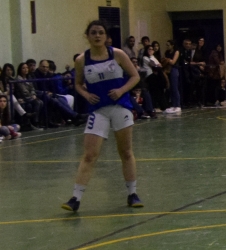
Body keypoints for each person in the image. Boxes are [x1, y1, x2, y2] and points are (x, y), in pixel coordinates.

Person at [63, 21, 143, 213]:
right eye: (93, 32)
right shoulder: (82, 60)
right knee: (90, 154)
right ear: (87, 36)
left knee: (125, 152)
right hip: (98, 110)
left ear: (106, 36)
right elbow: (78, 84)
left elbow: (135, 76)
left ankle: (132, 193)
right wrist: (86, 94)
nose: (97, 35)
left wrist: (121, 90)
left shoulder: (118, 54)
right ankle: (75, 198)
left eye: (101, 32)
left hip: (120, 107)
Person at [162, 40, 182, 114]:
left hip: (174, 69)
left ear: (172, 45)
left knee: (174, 87)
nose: (167, 47)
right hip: (168, 69)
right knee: (170, 88)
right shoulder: (167, 52)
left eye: (168, 45)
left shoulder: (176, 52)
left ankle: (177, 105)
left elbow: (173, 62)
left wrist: (168, 60)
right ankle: (173, 104)